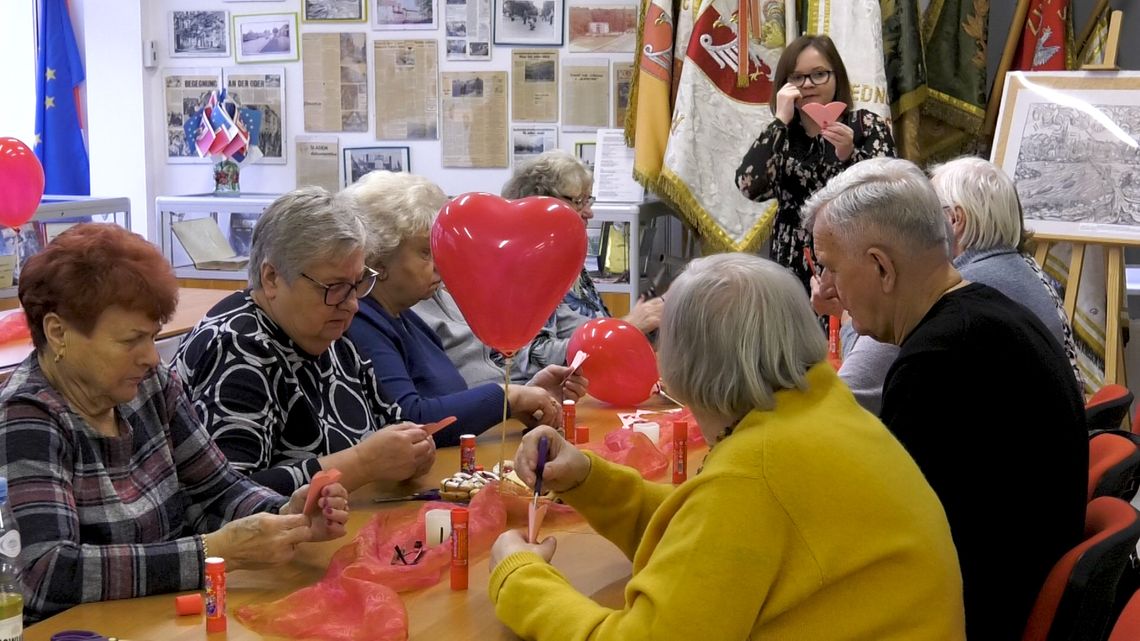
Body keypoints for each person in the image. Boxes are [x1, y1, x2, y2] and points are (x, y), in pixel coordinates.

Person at [487, 253, 966, 640]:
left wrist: (518, 577)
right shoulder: (816, 408)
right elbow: (710, 542)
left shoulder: (754, 471)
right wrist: (589, 480)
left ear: (678, 369)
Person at [0, 224, 350, 623]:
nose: (151, 357)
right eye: (131, 340)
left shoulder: (150, 386)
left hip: (164, 619)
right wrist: (212, 552)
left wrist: (288, 515)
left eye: (152, 337)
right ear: (58, 332)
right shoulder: (28, 416)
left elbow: (217, 490)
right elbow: (47, 571)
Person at [803, 157, 1087, 639]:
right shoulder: (985, 317)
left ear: (881, 268)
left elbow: (892, 540)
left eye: (830, 268)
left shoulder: (937, 362)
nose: (826, 289)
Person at [175, 187, 435, 496]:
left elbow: (390, 420)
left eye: (357, 284)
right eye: (335, 286)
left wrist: (412, 449)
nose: (352, 304)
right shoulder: (236, 347)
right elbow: (229, 494)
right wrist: (362, 464)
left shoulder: (329, 333)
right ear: (271, 278)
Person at [812, 156, 1083, 413]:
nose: (828, 283)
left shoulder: (934, 353)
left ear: (882, 267)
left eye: (833, 268)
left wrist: (848, 320)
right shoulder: (993, 294)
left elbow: (852, 399)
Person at [341, 171, 587, 446]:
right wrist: (510, 398)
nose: (440, 264)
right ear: (379, 258)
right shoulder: (362, 320)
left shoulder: (406, 317)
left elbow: (449, 405)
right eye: (426, 252)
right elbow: (409, 419)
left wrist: (526, 398)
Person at [735, 34, 895, 289]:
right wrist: (779, 120)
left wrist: (850, 155)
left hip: (851, 257)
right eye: (797, 77)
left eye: (819, 74)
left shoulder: (865, 126)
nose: (807, 84)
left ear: (836, 77)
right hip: (791, 262)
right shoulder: (782, 136)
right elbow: (748, 185)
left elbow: (889, 195)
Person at [501, 150, 664, 364]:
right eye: (579, 201)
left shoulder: (566, 259)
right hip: (550, 393)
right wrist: (627, 327)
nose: (589, 212)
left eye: (589, 200)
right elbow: (533, 359)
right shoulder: (522, 268)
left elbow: (599, 329)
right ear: (543, 203)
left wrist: (651, 321)